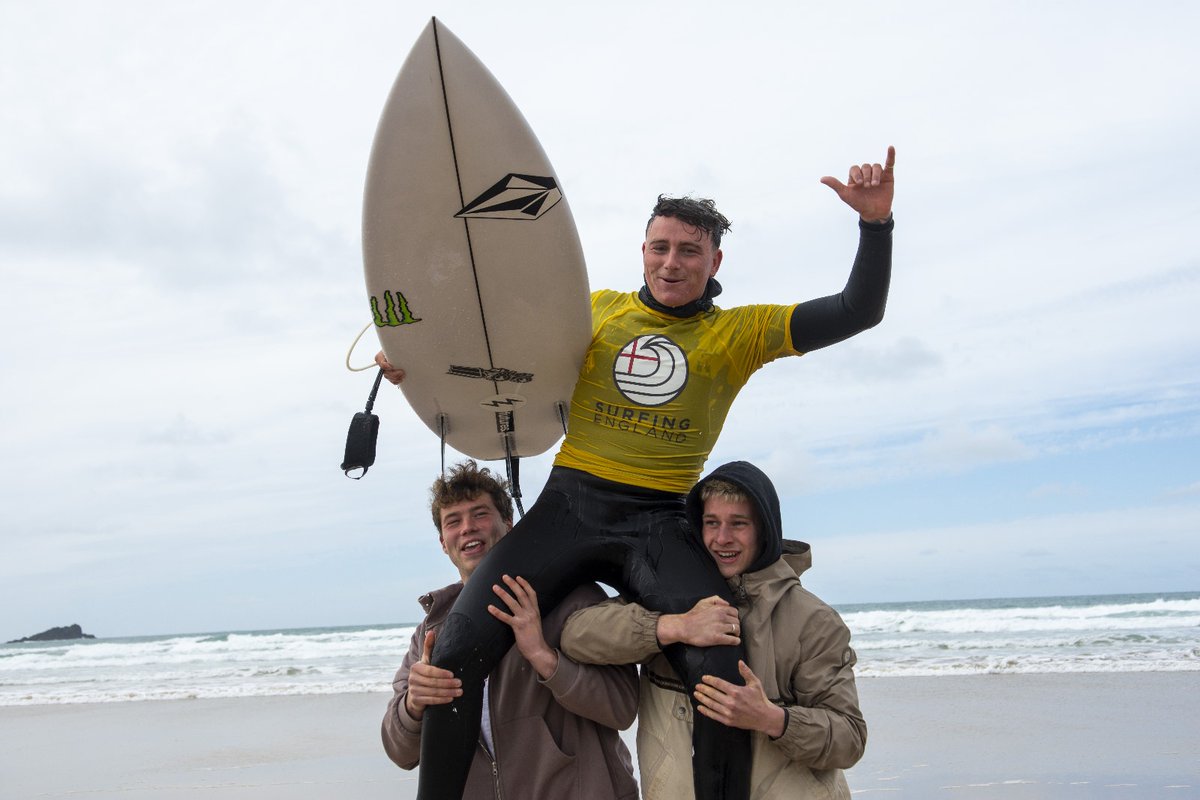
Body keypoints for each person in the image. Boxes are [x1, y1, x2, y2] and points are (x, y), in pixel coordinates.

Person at [377, 147, 895, 800]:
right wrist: (412, 366)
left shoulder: (741, 333)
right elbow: (490, 358)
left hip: (657, 520)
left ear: (714, 262)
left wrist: (875, 225)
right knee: (453, 651)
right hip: (569, 508)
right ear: (642, 251)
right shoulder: (594, 311)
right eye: (660, 247)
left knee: (720, 668)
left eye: (688, 250)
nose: (671, 262)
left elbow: (858, 310)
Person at [560, 460, 867, 799]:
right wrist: (670, 626)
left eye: (738, 524)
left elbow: (849, 738)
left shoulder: (813, 620)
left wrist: (773, 719)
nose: (722, 538)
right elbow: (576, 635)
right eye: (711, 523)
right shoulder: (668, 596)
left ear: (765, 529)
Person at [380, 460, 639, 799]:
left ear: (508, 523)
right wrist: (414, 704)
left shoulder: (572, 599)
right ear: (443, 542)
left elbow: (622, 709)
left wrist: (544, 657)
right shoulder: (432, 630)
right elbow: (400, 753)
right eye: (453, 521)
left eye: (480, 514)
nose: (468, 528)